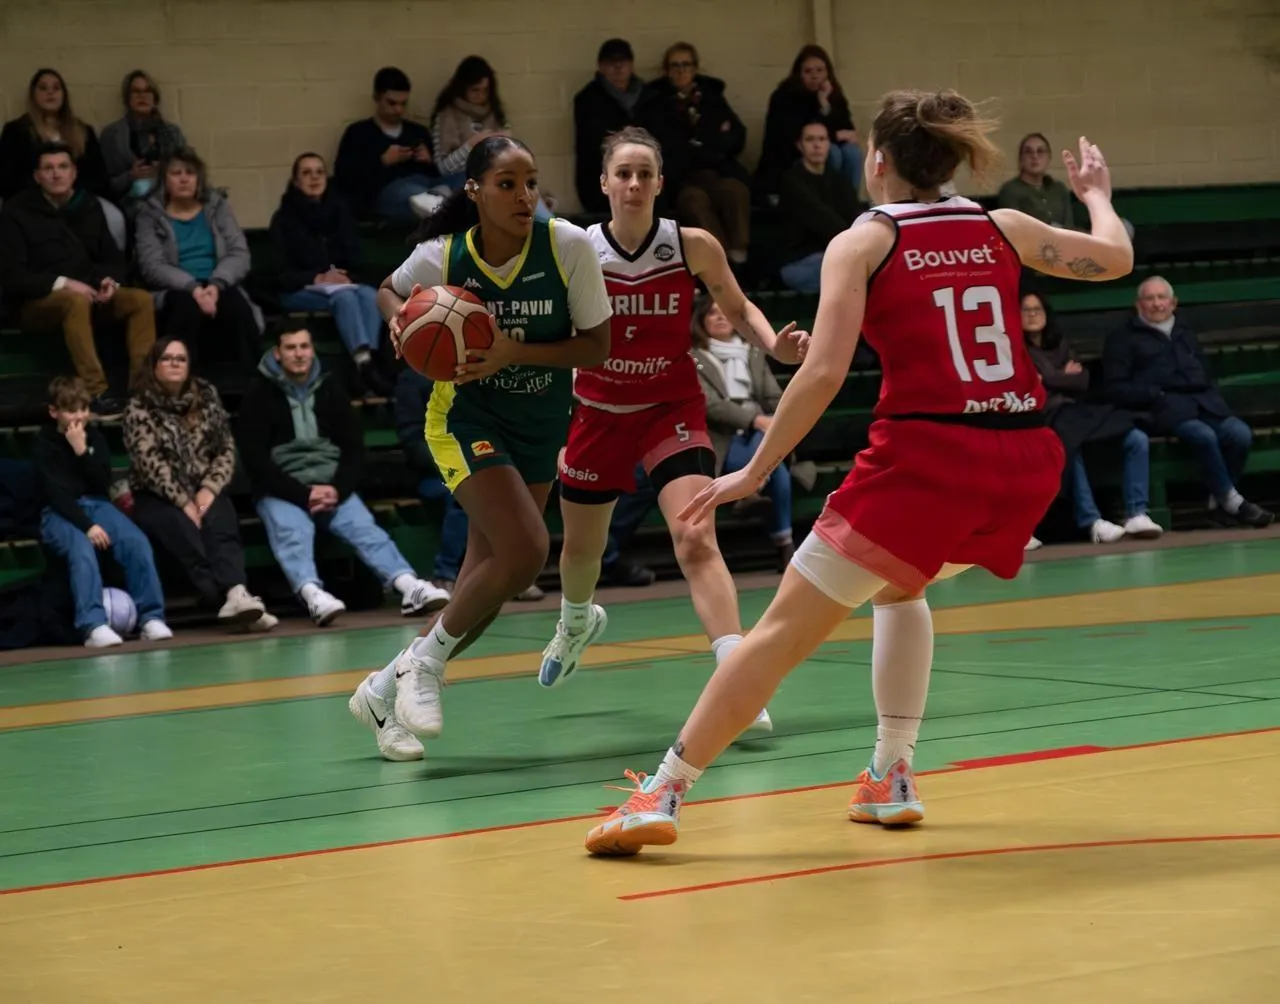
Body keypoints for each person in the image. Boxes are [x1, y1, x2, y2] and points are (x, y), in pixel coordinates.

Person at [584, 90, 1134, 856]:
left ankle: (663, 789)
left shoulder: (865, 240)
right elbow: (1115, 258)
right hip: (1023, 461)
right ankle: (890, 774)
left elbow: (820, 374)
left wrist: (753, 470)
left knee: (778, 632)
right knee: (900, 585)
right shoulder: (1001, 225)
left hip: (926, 464)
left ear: (876, 161)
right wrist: (1097, 196)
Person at [347, 135, 613, 762]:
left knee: (487, 583)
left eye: (530, 183)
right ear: (474, 191)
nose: (524, 196)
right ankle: (424, 668)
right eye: (507, 184)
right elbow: (386, 288)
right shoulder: (443, 255)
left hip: (539, 423)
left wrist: (514, 351)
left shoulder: (567, 246)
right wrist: (398, 318)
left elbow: (597, 347)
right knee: (527, 551)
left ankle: (382, 690)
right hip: (466, 419)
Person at [539, 127, 806, 743]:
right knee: (581, 553)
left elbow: (736, 307)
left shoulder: (691, 245)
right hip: (598, 410)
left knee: (695, 535)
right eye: (623, 173)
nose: (634, 184)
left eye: (644, 174)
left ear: (660, 183)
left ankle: (738, 679)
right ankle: (575, 622)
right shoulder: (575, 248)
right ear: (604, 183)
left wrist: (775, 345)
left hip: (671, 407)